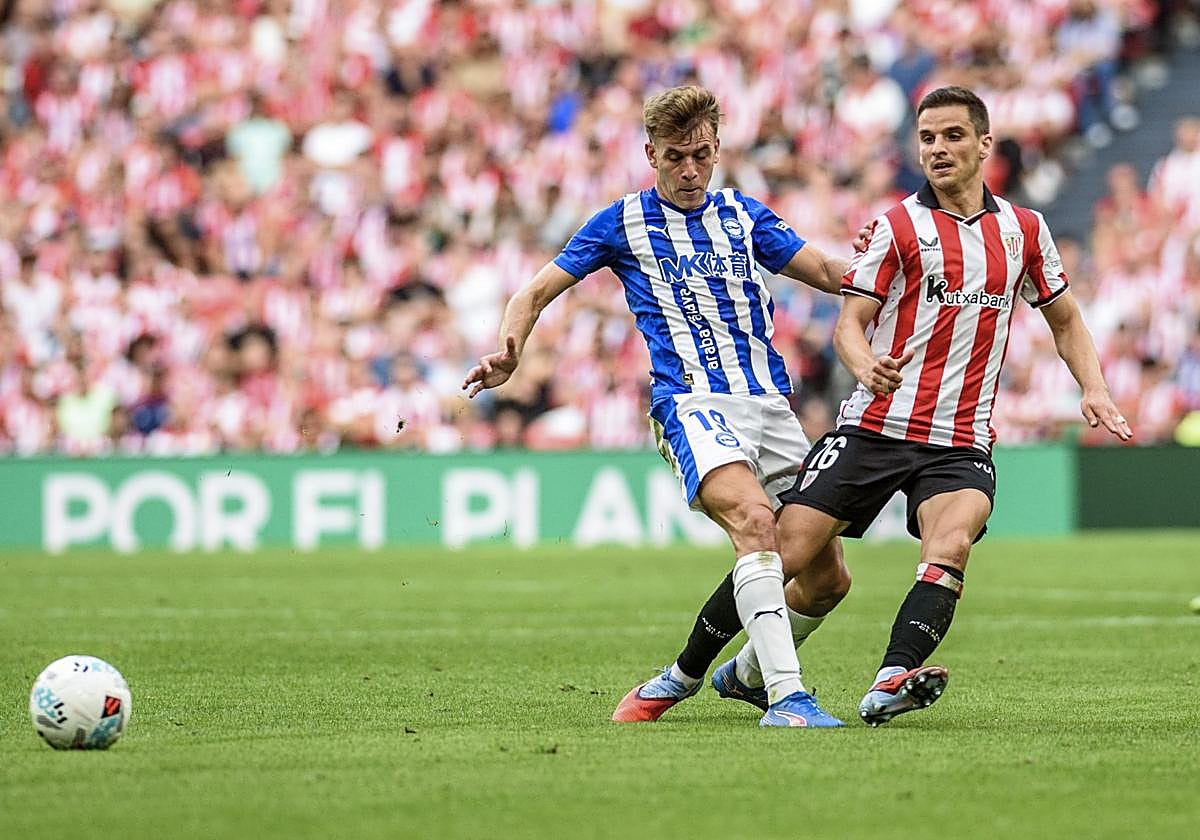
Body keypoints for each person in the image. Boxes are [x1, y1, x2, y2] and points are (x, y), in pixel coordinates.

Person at [714, 85, 1133, 726]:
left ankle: (890, 680)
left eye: (953, 135)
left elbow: (1066, 318)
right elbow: (850, 324)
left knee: (953, 542)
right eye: (928, 138)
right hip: (876, 425)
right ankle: (695, 671)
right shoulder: (896, 224)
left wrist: (1095, 387)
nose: (938, 149)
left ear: (985, 144)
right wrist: (863, 365)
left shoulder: (1024, 230)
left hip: (961, 437)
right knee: (787, 553)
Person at [463, 85, 853, 728]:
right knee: (755, 524)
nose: (691, 169)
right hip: (692, 402)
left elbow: (828, 271)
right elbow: (533, 292)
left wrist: (899, 268)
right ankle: (788, 698)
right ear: (651, 153)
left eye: (701, 154)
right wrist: (510, 351)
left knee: (826, 579)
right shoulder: (621, 222)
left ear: (717, 148)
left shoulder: (745, 215)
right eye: (676, 156)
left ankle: (743, 675)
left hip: (770, 405)